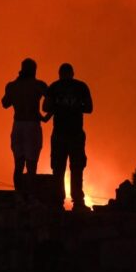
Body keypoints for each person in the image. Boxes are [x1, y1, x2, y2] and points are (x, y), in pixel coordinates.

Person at [42, 63, 93, 211]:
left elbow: (45, 107)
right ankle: (77, 202)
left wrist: (59, 106)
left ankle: (59, 202)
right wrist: (76, 106)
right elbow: (89, 108)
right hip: (75, 133)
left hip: (61, 134)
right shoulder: (81, 86)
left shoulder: (54, 87)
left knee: (59, 169)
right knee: (76, 168)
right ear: (73, 73)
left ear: (60, 73)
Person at [1, 58, 49, 198]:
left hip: (18, 125)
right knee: (31, 165)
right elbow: (52, 100)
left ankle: (19, 196)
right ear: (34, 70)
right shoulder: (39, 85)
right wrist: (45, 116)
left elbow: (5, 103)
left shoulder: (12, 86)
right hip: (32, 126)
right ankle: (30, 198)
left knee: (18, 164)